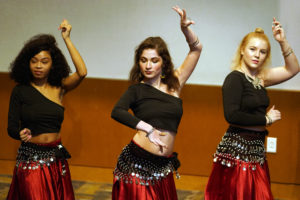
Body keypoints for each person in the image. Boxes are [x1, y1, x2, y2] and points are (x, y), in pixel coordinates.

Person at [110, 6, 202, 200]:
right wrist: (148, 129)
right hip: (137, 164)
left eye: (154, 60)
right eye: (143, 60)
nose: (148, 65)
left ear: (163, 62)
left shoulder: (175, 83)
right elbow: (117, 111)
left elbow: (196, 48)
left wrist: (186, 30)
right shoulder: (136, 90)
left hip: (163, 168)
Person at [205, 18, 299, 200]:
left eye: (263, 52)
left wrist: (282, 41)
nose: (257, 55)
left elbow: (293, 69)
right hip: (237, 150)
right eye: (252, 49)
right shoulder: (235, 78)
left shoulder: (261, 78)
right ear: (242, 50)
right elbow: (232, 115)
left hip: (257, 151)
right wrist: (266, 120)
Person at [7, 19, 87, 200]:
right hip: (30, 160)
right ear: (26, 63)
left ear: (53, 64)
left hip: (56, 159)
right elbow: (11, 127)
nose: (38, 66)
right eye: (34, 61)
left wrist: (66, 38)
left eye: (44, 61)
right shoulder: (20, 90)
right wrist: (19, 133)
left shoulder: (59, 87)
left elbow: (82, 72)